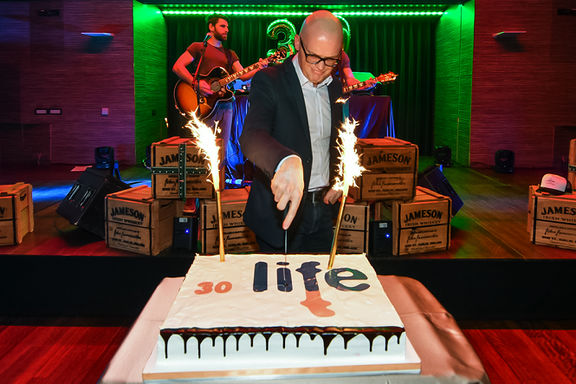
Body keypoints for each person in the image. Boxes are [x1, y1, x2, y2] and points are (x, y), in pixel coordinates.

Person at [239, 10, 345, 253]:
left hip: (323, 210)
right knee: (280, 289)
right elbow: (251, 136)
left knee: (319, 288)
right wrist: (284, 160)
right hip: (280, 212)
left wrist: (339, 178)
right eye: (314, 57)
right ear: (297, 43)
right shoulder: (270, 80)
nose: (321, 68)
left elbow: (336, 140)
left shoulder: (336, 86)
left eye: (331, 60)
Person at [173, 14, 265, 181]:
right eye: (223, 26)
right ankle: (198, 186)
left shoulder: (230, 54)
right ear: (211, 27)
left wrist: (260, 66)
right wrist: (195, 83)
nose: (227, 30)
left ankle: (219, 186)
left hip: (225, 104)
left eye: (227, 27)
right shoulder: (198, 47)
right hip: (203, 104)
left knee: (221, 147)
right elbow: (178, 67)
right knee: (201, 146)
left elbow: (243, 75)